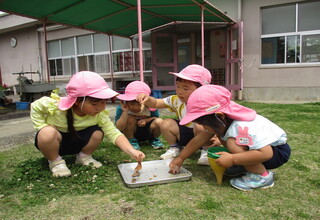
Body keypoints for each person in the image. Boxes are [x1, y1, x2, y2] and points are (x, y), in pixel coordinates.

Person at [170, 85, 291, 191]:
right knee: (227, 139)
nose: (204, 128)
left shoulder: (239, 126)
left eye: (204, 124)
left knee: (232, 142)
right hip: (262, 151)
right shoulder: (223, 122)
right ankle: (246, 166)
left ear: (219, 116)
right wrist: (181, 157)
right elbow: (199, 140)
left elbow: (266, 153)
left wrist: (233, 159)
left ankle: (262, 176)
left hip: (276, 152)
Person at [30, 71, 145, 177]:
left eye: (104, 102)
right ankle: (55, 162)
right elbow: (35, 106)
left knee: (98, 133)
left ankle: (83, 157)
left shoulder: (99, 115)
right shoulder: (56, 106)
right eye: (95, 104)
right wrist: (41, 126)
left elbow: (114, 133)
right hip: (57, 143)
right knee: (46, 133)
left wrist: (132, 151)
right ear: (77, 101)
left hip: (78, 142)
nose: (100, 107)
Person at [136, 64, 220, 164]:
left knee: (200, 126)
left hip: (204, 135)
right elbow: (156, 103)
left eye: (185, 89)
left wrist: (218, 138)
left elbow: (220, 122)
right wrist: (148, 99)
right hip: (184, 134)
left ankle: (206, 150)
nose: (180, 91)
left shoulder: (208, 103)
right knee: (166, 123)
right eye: (178, 86)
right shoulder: (176, 100)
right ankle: (175, 148)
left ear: (201, 90)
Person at [115, 81, 164, 150]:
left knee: (160, 121)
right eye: (132, 104)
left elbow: (155, 118)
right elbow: (119, 127)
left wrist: (145, 120)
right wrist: (125, 112)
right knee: (130, 118)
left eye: (139, 104)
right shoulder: (122, 108)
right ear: (126, 102)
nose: (135, 107)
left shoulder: (150, 107)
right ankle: (131, 140)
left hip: (146, 131)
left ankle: (154, 139)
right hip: (130, 132)